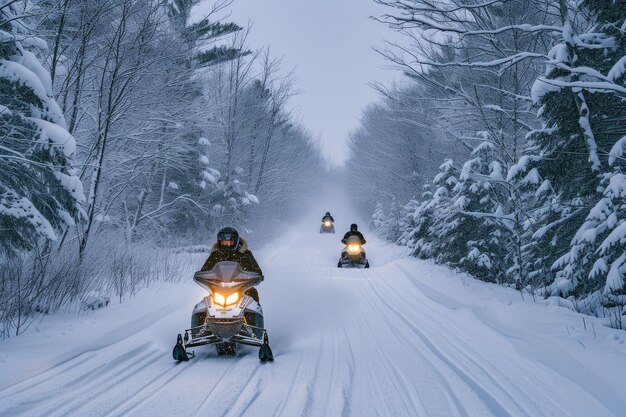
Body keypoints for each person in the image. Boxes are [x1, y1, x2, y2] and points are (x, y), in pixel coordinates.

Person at [200, 227, 262, 303]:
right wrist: (203, 276)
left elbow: (257, 271)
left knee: (253, 295)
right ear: (219, 242)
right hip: (218, 288)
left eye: (229, 242)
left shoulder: (246, 254)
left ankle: (255, 314)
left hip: (242, 287)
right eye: (223, 242)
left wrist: (250, 277)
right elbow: (204, 270)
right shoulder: (215, 255)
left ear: (236, 241)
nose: (226, 245)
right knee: (202, 306)